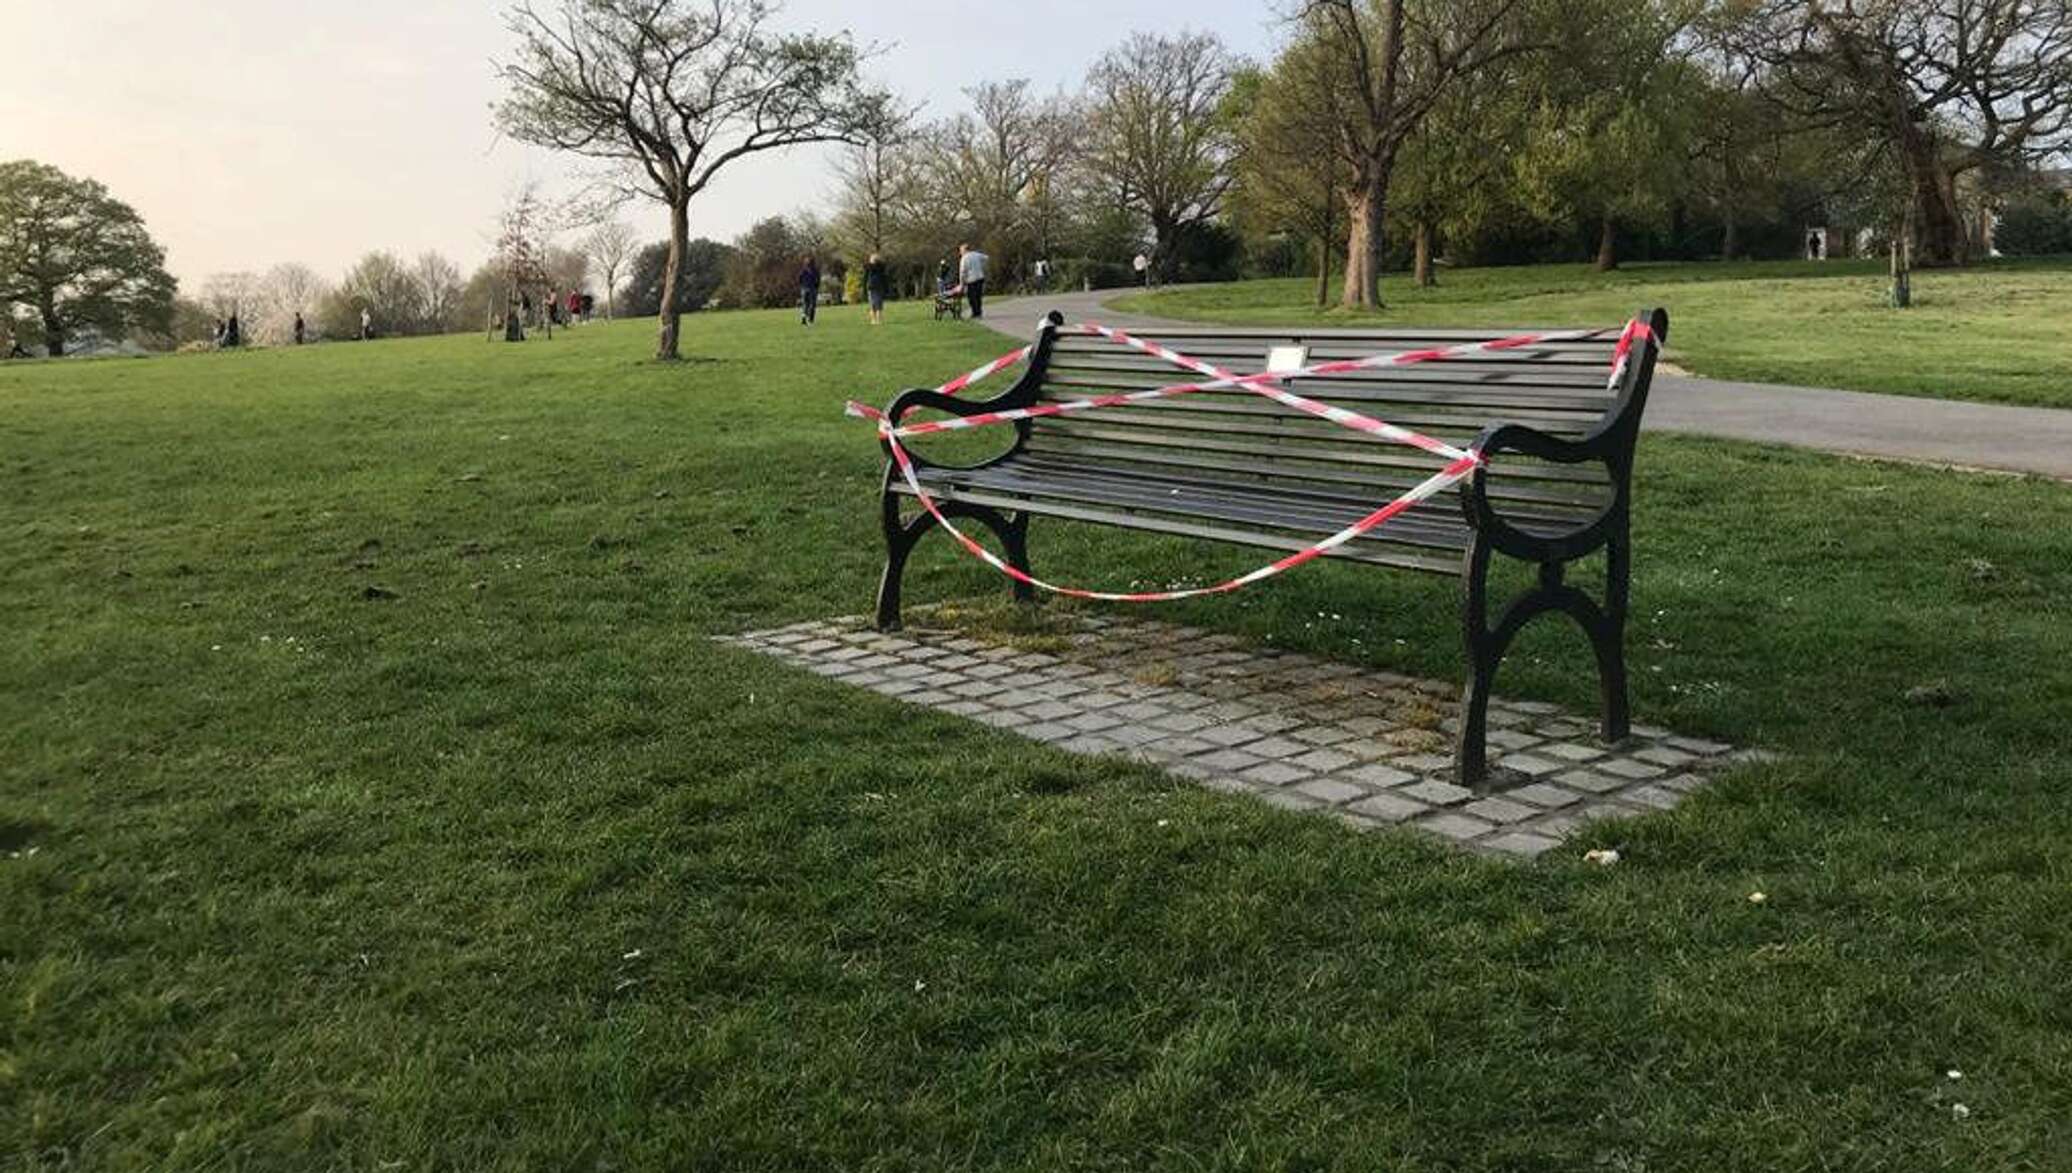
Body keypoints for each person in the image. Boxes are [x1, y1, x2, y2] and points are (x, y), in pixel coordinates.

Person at [958, 242, 989, 320]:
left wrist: (961, 284)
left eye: (961, 251)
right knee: (978, 296)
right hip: (980, 277)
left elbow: (962, 272)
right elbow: (986, 258)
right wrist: (982, 266)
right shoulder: (976, 254)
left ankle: (975, 313)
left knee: (972, 297)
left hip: (971, 280)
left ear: (965, 250)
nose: (960, 252)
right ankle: (978, 312)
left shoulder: (964, 258)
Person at [863, 252, 888, 325]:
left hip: (879, 287)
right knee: (873, 305)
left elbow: (884, 275)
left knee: (878, 304)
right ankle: (874, 320)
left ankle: (878, 320)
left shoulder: (880, 267)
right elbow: (865, 276)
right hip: (871, 287)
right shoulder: (869, 267)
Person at [798, 254, 821, 326]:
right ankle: (810, 319)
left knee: (805, 304)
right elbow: (818, 280)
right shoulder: (815, 271)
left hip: (804, 289)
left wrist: (802, 286)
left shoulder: (803, 271)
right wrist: (816, 287)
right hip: (812, 289)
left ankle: (804, 317)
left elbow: (800, 279)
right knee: (812, 304)